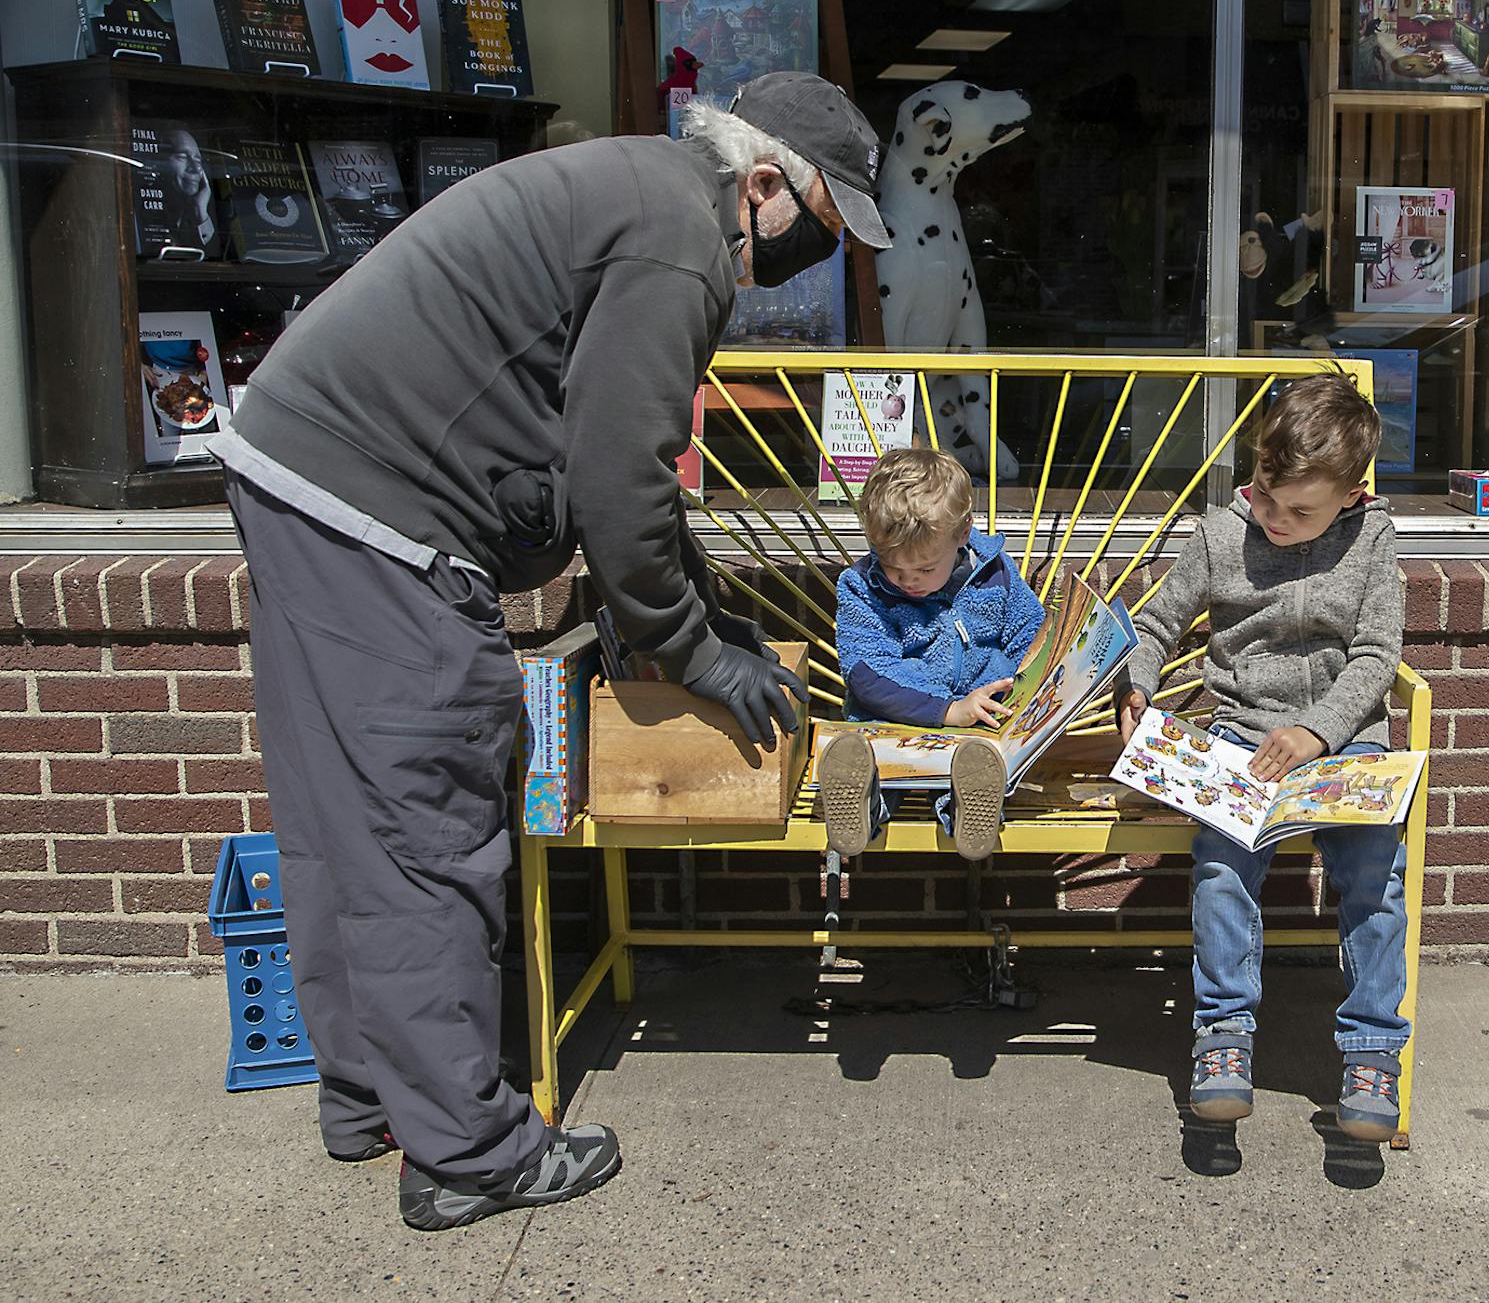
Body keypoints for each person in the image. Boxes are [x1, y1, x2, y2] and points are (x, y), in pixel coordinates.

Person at [212, 73, 892, 1231]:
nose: (825, 254)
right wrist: (695, 650)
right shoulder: (683, 240)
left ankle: (372, 1096)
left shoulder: (644, 193)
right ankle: (468, 1154)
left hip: (301, 469)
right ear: (765, 182)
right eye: (827, 227)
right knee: (432, 808)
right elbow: (621, 479)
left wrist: (702, 607)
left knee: (341, 815)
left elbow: (615, 457)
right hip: (379, 506)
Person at [1117, 374, 1408, 1143]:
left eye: (1299, 510)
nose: (1274, 519)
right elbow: (1153, 625)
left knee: (1376, 871)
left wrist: (1319, 730)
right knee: (1221, 863)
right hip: (1244, 733)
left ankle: (1374, 1049)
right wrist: (1139, 686)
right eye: (1264, 497)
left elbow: (1378, 656)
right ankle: (1222, 1037)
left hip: (1345, 738)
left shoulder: (1373, 540)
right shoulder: (1220, 534)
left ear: (1351, 496)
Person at [824, 447, 1045, 862]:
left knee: (981, 762)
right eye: (891, 566)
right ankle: (864, 803)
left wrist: (1021, 692)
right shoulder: (862, 588)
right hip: (899, 721)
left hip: (981, 727)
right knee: (882, 762)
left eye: (925, 569)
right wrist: (945, 711)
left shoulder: (995, 574)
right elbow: (867, 672)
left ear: (963, 536)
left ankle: (968, 809)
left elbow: (1029, 635)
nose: (908, 581)